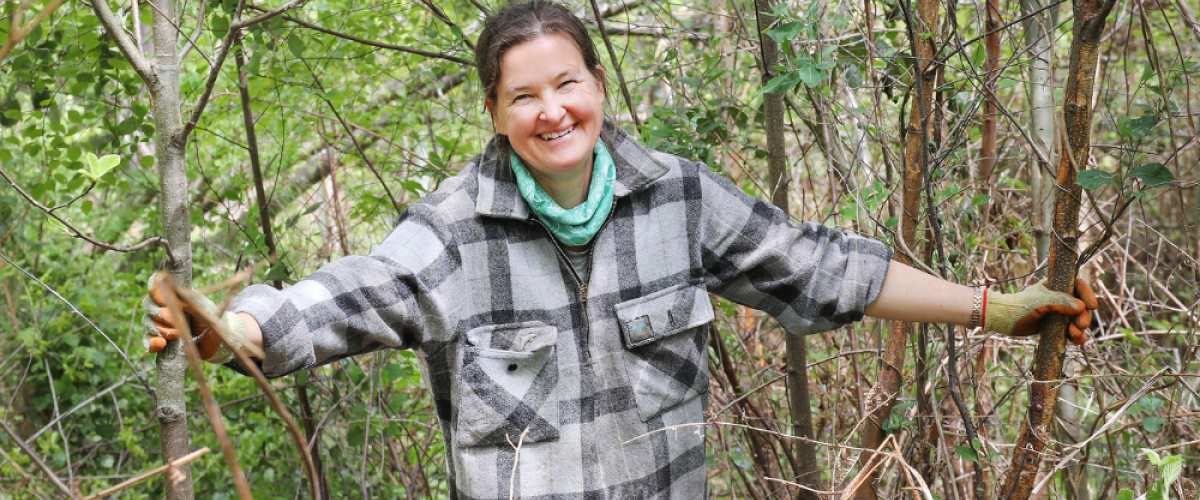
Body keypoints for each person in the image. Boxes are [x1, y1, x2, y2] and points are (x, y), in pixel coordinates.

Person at [142, 1, 1098, 497]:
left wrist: (991, 309)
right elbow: (346, 294)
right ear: (496, 113)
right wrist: (232, 325)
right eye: (524, 96)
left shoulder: (679, 199)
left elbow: (822, 267)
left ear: (598, 84)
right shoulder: (456, 230)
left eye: (566, 84)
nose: (551, 110)